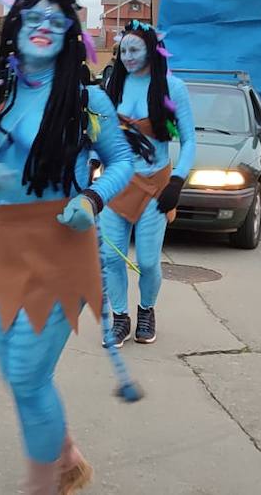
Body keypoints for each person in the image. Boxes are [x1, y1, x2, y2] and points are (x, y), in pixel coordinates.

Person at [0, 0, 134, 494]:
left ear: (70, 35)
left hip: (63, 246)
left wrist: (92, 199)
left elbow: (121, 161)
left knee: (28, 376)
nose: (43, 28)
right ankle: (67, 455)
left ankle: (41, 485)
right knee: (13, 373)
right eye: (33, 18)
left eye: (56, 21)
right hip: (5, 247)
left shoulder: (87, 100)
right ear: (14, 28)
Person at [97, 20, 196, 347]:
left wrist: (177, 182)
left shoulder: (172, 88)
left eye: (134, 49)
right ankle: (120, 318)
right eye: (123, 50)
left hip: (156, 185)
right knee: (111, 258)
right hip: (118, 182)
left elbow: (190, 141)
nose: (127, 56)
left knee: (149, 261)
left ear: (152, 50)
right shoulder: (115, 85)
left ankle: (146, 310)